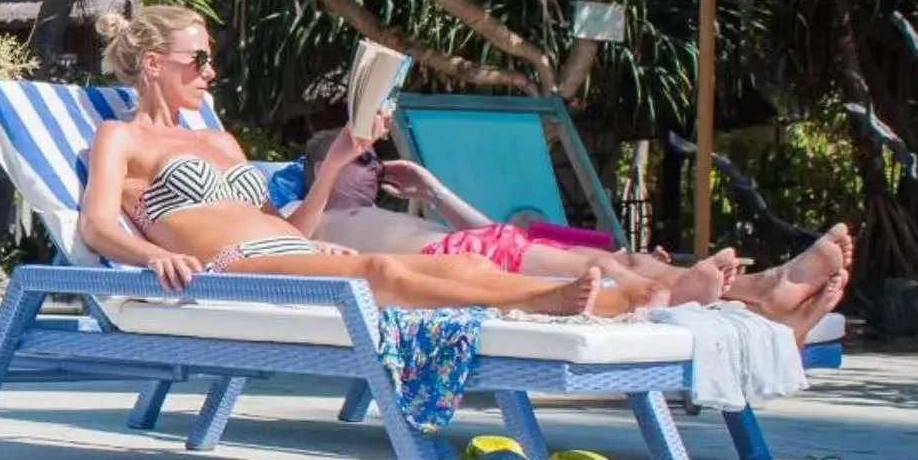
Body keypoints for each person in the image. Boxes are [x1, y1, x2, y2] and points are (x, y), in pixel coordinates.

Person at [80, 5, 634, 315]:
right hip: (233, 266)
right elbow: (98, 225)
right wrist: (153, 256)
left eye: (211, 60)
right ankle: (547, 301)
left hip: (288, 250)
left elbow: (288, 225)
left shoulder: (222, 142)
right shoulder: (121, 137)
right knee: (380, 270)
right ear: (153, 63)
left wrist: (334, 166)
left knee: (472, 265)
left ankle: (612, 300)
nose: (210, 72)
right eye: (198, 60)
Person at [299, 129, 850, 335]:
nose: (371, 163)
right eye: (359, 157)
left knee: (630, 260)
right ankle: (740, 290)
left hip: (479, 248)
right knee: (607, 270)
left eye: (372, 156)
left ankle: (762, 287)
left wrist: (433, 189)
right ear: (326, 164)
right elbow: (290, 238)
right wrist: (328, 171)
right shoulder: (309, 210)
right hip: (464, 266)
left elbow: (490, 231)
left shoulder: (394, 210)